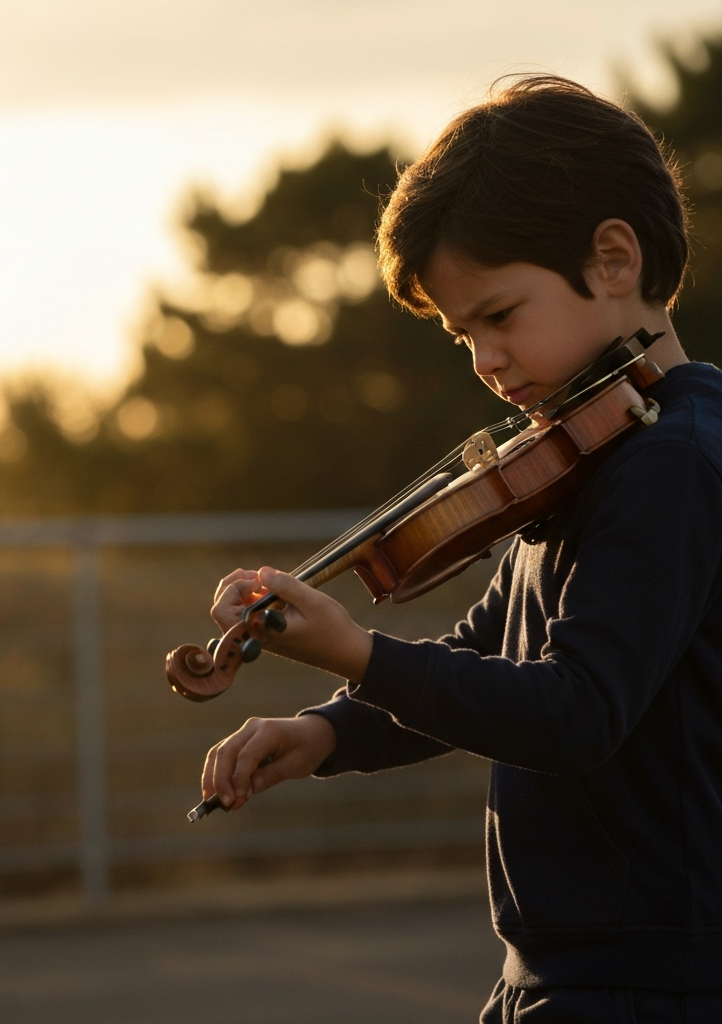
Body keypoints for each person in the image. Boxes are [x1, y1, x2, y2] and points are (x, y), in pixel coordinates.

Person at [201, 76, 722, 1021]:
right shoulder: (589, 457)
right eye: (460, 334)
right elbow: (488, 656)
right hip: (568, 971)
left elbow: (575, 712)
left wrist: (355, 650)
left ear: (613, 259)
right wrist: (327, 730)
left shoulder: (672, 463)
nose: (484, 360)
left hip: (655, 982)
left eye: (500, 315)